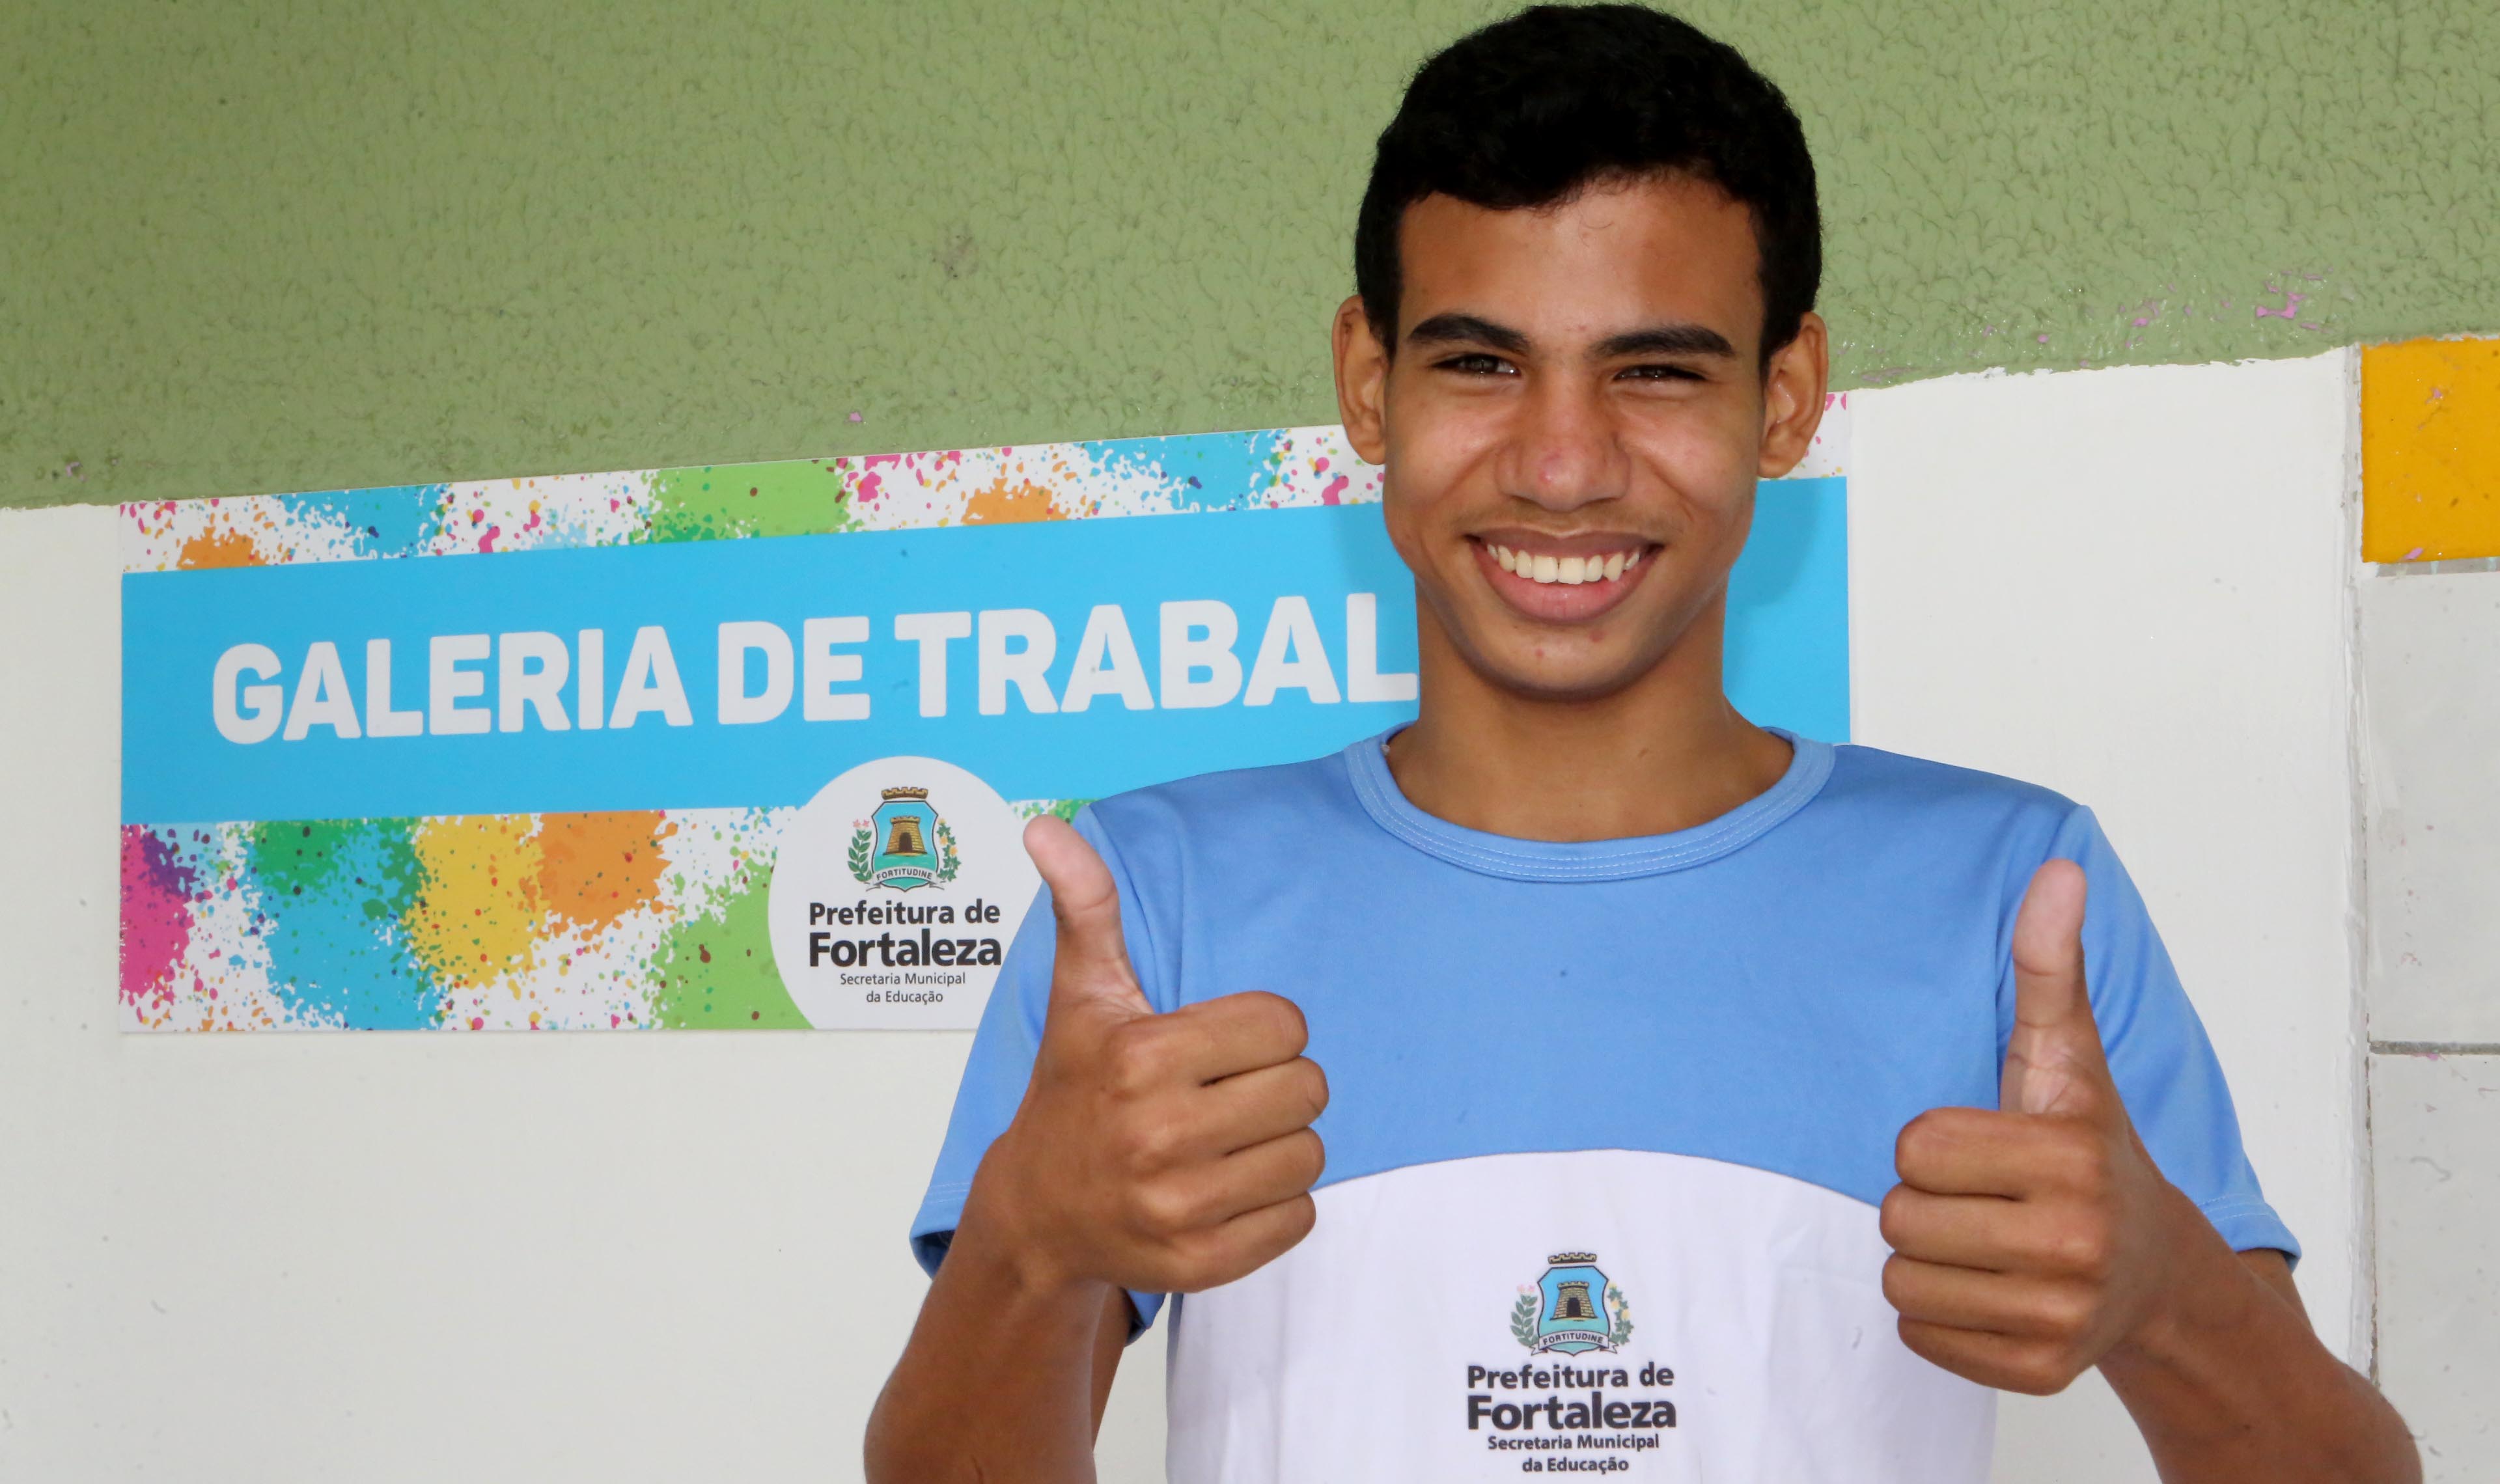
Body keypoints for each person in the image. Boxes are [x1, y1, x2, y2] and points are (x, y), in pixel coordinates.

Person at [864, 6, 2419, 1481]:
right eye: (1480, 364)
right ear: (1367, 383)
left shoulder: (2017, 898)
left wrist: (2171, 1296)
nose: (1562, 465)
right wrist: (1029, 1245)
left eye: (1656, 370)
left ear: (1786, 399)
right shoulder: (1155, 899)